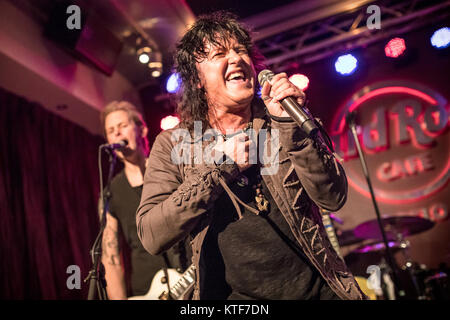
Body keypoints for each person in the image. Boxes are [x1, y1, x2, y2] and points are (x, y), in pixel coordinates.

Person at [136, 11, 366, 300]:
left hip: (318, 292)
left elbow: (333, 196)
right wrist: (221, 167)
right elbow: (152, 234)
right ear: (196, 80)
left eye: (240, 49)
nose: (236, 58)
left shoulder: (281, 120)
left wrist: (290, 126)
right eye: (219, 53)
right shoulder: (174, 143)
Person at [99, 101, 190, 299]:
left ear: (142, 129)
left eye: (123, 126)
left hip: (191, 275)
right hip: (148, 291)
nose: (117, 133)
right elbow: (111, 257)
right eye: (111, 130)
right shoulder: (111, 192)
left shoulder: (171, 169)